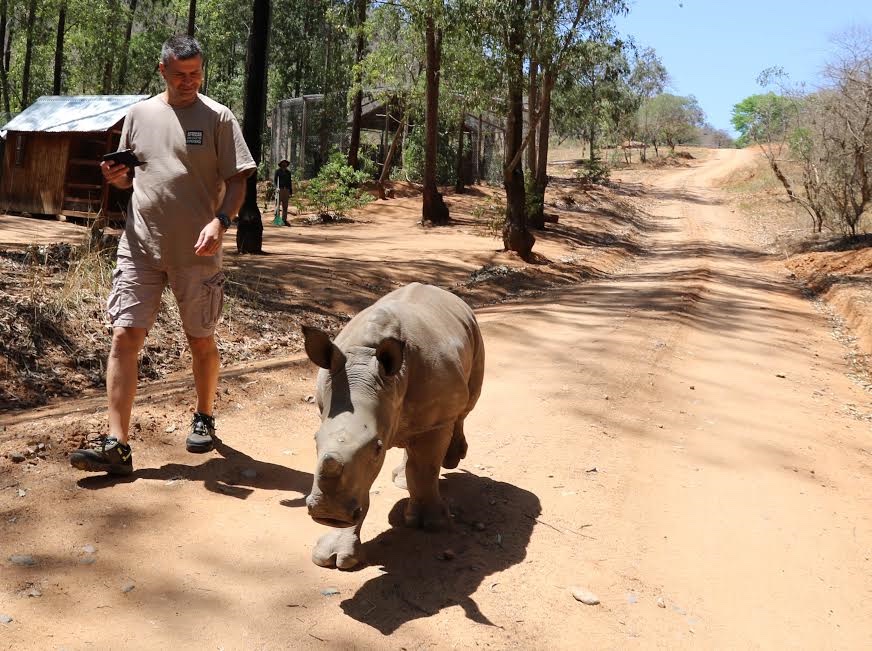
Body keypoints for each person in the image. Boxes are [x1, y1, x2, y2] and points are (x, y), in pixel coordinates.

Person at [69, 35, 256, 476]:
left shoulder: (219, 117)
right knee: (124, 336)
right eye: (180, 75)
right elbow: (130, 179)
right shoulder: (139, 115)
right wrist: (115, 176)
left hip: (198, 251)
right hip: (140, 246)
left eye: (196, 73)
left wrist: (221, 222)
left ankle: (204, 415)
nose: (189, 81)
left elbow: (238, 181)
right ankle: (117, 444)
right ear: (162, 71)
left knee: (200, 339)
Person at [273, 159, 293, 226]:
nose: (284, 164)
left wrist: (290, 191)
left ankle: (284, 220)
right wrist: (276, 188)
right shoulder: (277, 172)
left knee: (285, 206)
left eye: (285, 163)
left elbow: (290, 182)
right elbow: (275, 181)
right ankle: (277, 220)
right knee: (277, 205)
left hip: (286, 190)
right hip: (279, 190)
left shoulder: (288, 172)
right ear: (281, 164)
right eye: (283, 163)